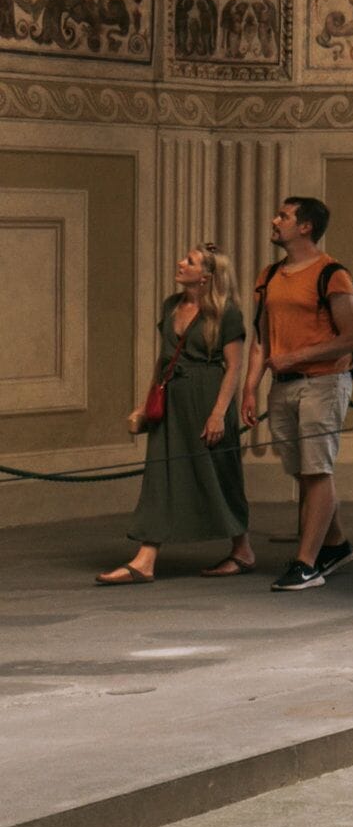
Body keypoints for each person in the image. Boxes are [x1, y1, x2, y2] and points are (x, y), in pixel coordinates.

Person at [98, 243, 254, 584]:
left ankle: (242, 549)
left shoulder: (226, 313)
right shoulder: (172, 305)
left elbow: (233, 367)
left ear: (206, 277)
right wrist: (146, 403)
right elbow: (164, 358)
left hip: (208, 398)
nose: (180, 262)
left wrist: (217, 414)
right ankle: (146, 558)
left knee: (219, 472)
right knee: (161, 473)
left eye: (190, 261)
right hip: (173, 400)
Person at [255, 195, 353, 592]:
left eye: (283, 216)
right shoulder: (268, 276)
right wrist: (249, 391)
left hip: (323, 382)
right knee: (303, 471)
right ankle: (335, 544)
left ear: (305, 227)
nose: (274, 220)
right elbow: (261, 341)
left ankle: (306, 564)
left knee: (317, 470)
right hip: (283, 386)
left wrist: (297, 356)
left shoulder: (332, 273)